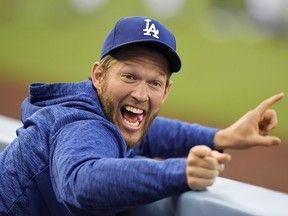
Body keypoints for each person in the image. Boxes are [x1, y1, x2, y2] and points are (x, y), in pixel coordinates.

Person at [0, 16, 284, 216]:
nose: (140, 94)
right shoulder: (81, 123)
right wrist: (181, 172)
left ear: (167, 90)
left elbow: (153, 132)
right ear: (99, 75)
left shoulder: (108, 113)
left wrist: (223, 137)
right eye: (129, 76)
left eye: (154, 83)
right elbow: (81, 182)